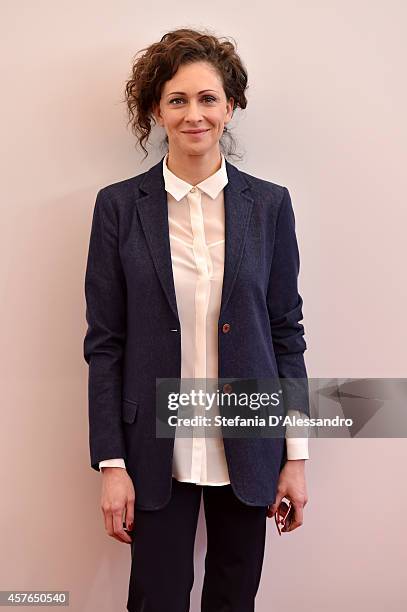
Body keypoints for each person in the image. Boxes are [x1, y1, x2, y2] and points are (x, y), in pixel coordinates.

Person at [83, 27, 310, 612]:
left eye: (208, 98)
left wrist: (296, 456)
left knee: (235, 598)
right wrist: (111, 463)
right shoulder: (118, 207)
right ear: (157, 109)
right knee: (156, 599)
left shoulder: (270, 205)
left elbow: (286, 333)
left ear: (230, 105)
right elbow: (105, 345)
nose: (194, 115)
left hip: (249, 444)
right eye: (177, 100)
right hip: (154, 448)